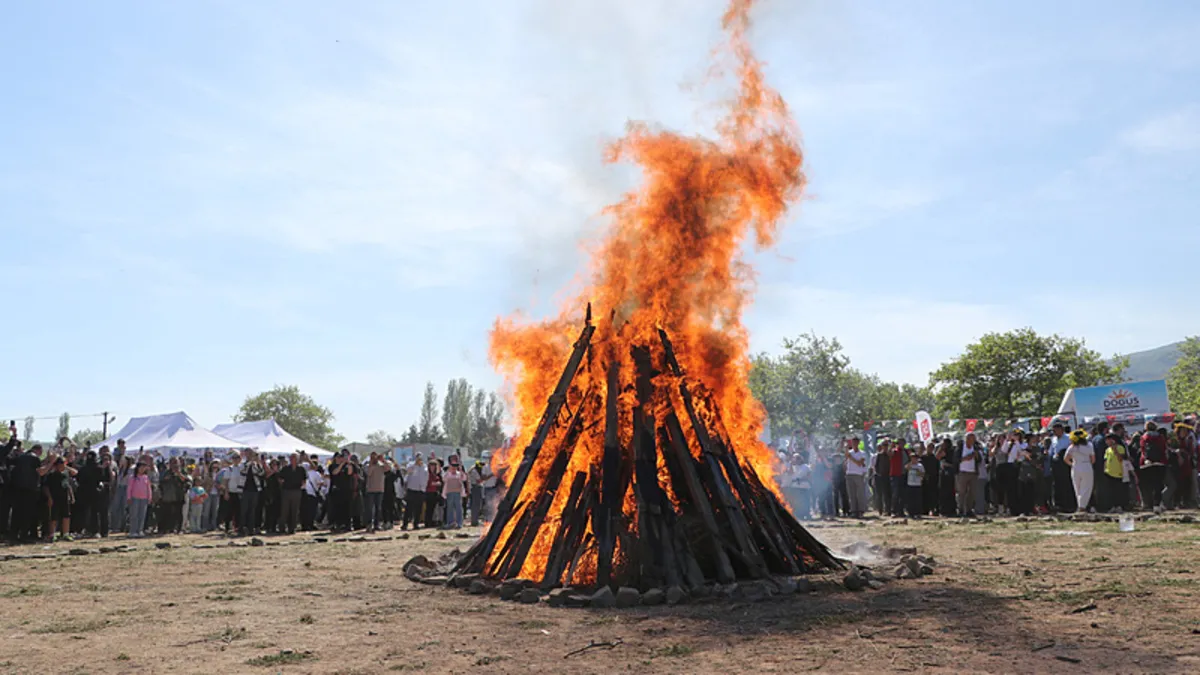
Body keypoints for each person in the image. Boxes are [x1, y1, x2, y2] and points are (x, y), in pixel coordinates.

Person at [1064, 429, 1094, 512]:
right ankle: (1082, 506)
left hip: (1076, 466)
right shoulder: (1089, 445)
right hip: (1086, 465)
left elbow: (1066, 459)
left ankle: (1080, 505)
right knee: (1086, 487)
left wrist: (1072, 464)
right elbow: (1093, 459)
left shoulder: (1072, 447)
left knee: (1077, 488)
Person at [277, 453, 306, 535]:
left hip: (297, 491)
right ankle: (282, 528)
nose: (293, 459)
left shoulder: (301, 469)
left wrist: (301, 486)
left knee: (295, 510)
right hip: (286, 491)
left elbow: (304, 479)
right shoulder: (285, 468)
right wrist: (283, 485)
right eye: (292, 458)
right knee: (284, 510)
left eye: (295, 458)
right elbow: (280, 478)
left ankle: (292, 528)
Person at [956, 433, 981, 516]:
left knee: (972, 492)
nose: (973, 441)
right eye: (971, 439)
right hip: (962, 472)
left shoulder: (975, 448)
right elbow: (956, 460)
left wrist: (976, 456)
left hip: (973, 473)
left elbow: (979, 460)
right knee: (961, 492)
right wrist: (966, 458)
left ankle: (969, 509)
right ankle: (961, 509)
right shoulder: (960, 448)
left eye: (974, 439)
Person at [1102, 433, 1128, 512]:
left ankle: (1119, 505)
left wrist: (1115, 450)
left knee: (1118, 490)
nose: (1107, 442)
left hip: (1118, 472)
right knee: (1110, 491)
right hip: (1109, 472)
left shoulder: (1120, 448)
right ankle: (1112, 506)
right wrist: (1104, 469)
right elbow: (1105, 460)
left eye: (1108, 440)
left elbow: (1121, 459)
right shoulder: (1107, 450)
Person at [843, 438, 868, 518]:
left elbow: (859, 463)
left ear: (858, 443)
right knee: (851, 494)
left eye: (856, 442)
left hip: (858, 474)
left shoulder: (862, 453)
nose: (854, 444)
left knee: (860, 494)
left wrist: (851, 458)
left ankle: (861, 510)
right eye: (853, 442)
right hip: (849, 474)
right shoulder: (849, 453)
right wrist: (846, 447)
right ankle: (853, 511)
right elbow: (846, 458)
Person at [126, 462, 153, 538]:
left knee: (142, 515)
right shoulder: (132, 477)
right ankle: (133, 531)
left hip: (144, 498)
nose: (142, 469)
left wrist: (149, 497)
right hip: (135, 498)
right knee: (134, 515)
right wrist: (129, 497)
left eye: (144, 468)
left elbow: (149, 488)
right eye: (141, 467)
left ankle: (140, 530)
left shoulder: (146, 477)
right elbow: (129, 488)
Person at [441, 456, 466, 529]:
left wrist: (461, 469)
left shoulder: (459, 474)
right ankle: (450, 522)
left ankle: (459, 523)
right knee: (450, 508)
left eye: (455, 466)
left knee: (459, 508)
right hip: (449, 493)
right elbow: (444, 479)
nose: (454, 467)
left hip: (458, 493)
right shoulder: (447, 474)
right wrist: (449, 469)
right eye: (453, 465)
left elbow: (464, 478)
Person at [365, 453, 387, 533]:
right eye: (373, 457)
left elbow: (388, 468)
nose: (374, 458)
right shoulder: (368, 465)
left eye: (375, 456)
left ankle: (377, 525)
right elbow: (369, 473)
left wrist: (383, 460)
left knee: (378, 508)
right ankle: (369, 525)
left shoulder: (381, 465)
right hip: (371, 490)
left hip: (380, 489)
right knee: (370, 509)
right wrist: (372, 464)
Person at [905, 451, 925, 518]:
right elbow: (906, 468)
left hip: (917, 484)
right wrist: (911, 464)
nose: (913, 459)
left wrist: (917, 471)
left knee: (917, 500)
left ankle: (918, 513)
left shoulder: (920, 466)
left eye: (914, 458)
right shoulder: (909, 465)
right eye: (912, 458)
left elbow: (922, 474)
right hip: (910, 484)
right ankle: (911, 513)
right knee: (910, 500)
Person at [467, 460, 485, 526]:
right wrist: (486, 477)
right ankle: (474, 521)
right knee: (475, 506)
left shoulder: (475, 471)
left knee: (477, 506)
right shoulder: (474, 471)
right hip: (476, 488)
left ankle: (475, 520)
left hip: (477, 488)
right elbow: (479, 480)